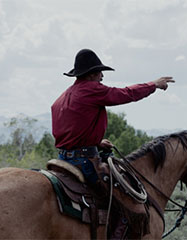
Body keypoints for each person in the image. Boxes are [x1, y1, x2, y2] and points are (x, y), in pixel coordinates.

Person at [51, 49, 174, 184]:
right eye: (99, 73)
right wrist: (153, 85)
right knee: (122, 194)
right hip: (84, 160)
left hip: (63, 159)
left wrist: (95, 142)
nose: (102, 77)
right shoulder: (91, 90)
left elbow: (72, 130)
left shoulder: (63, 97)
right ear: (91, 75)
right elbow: (125, 94)